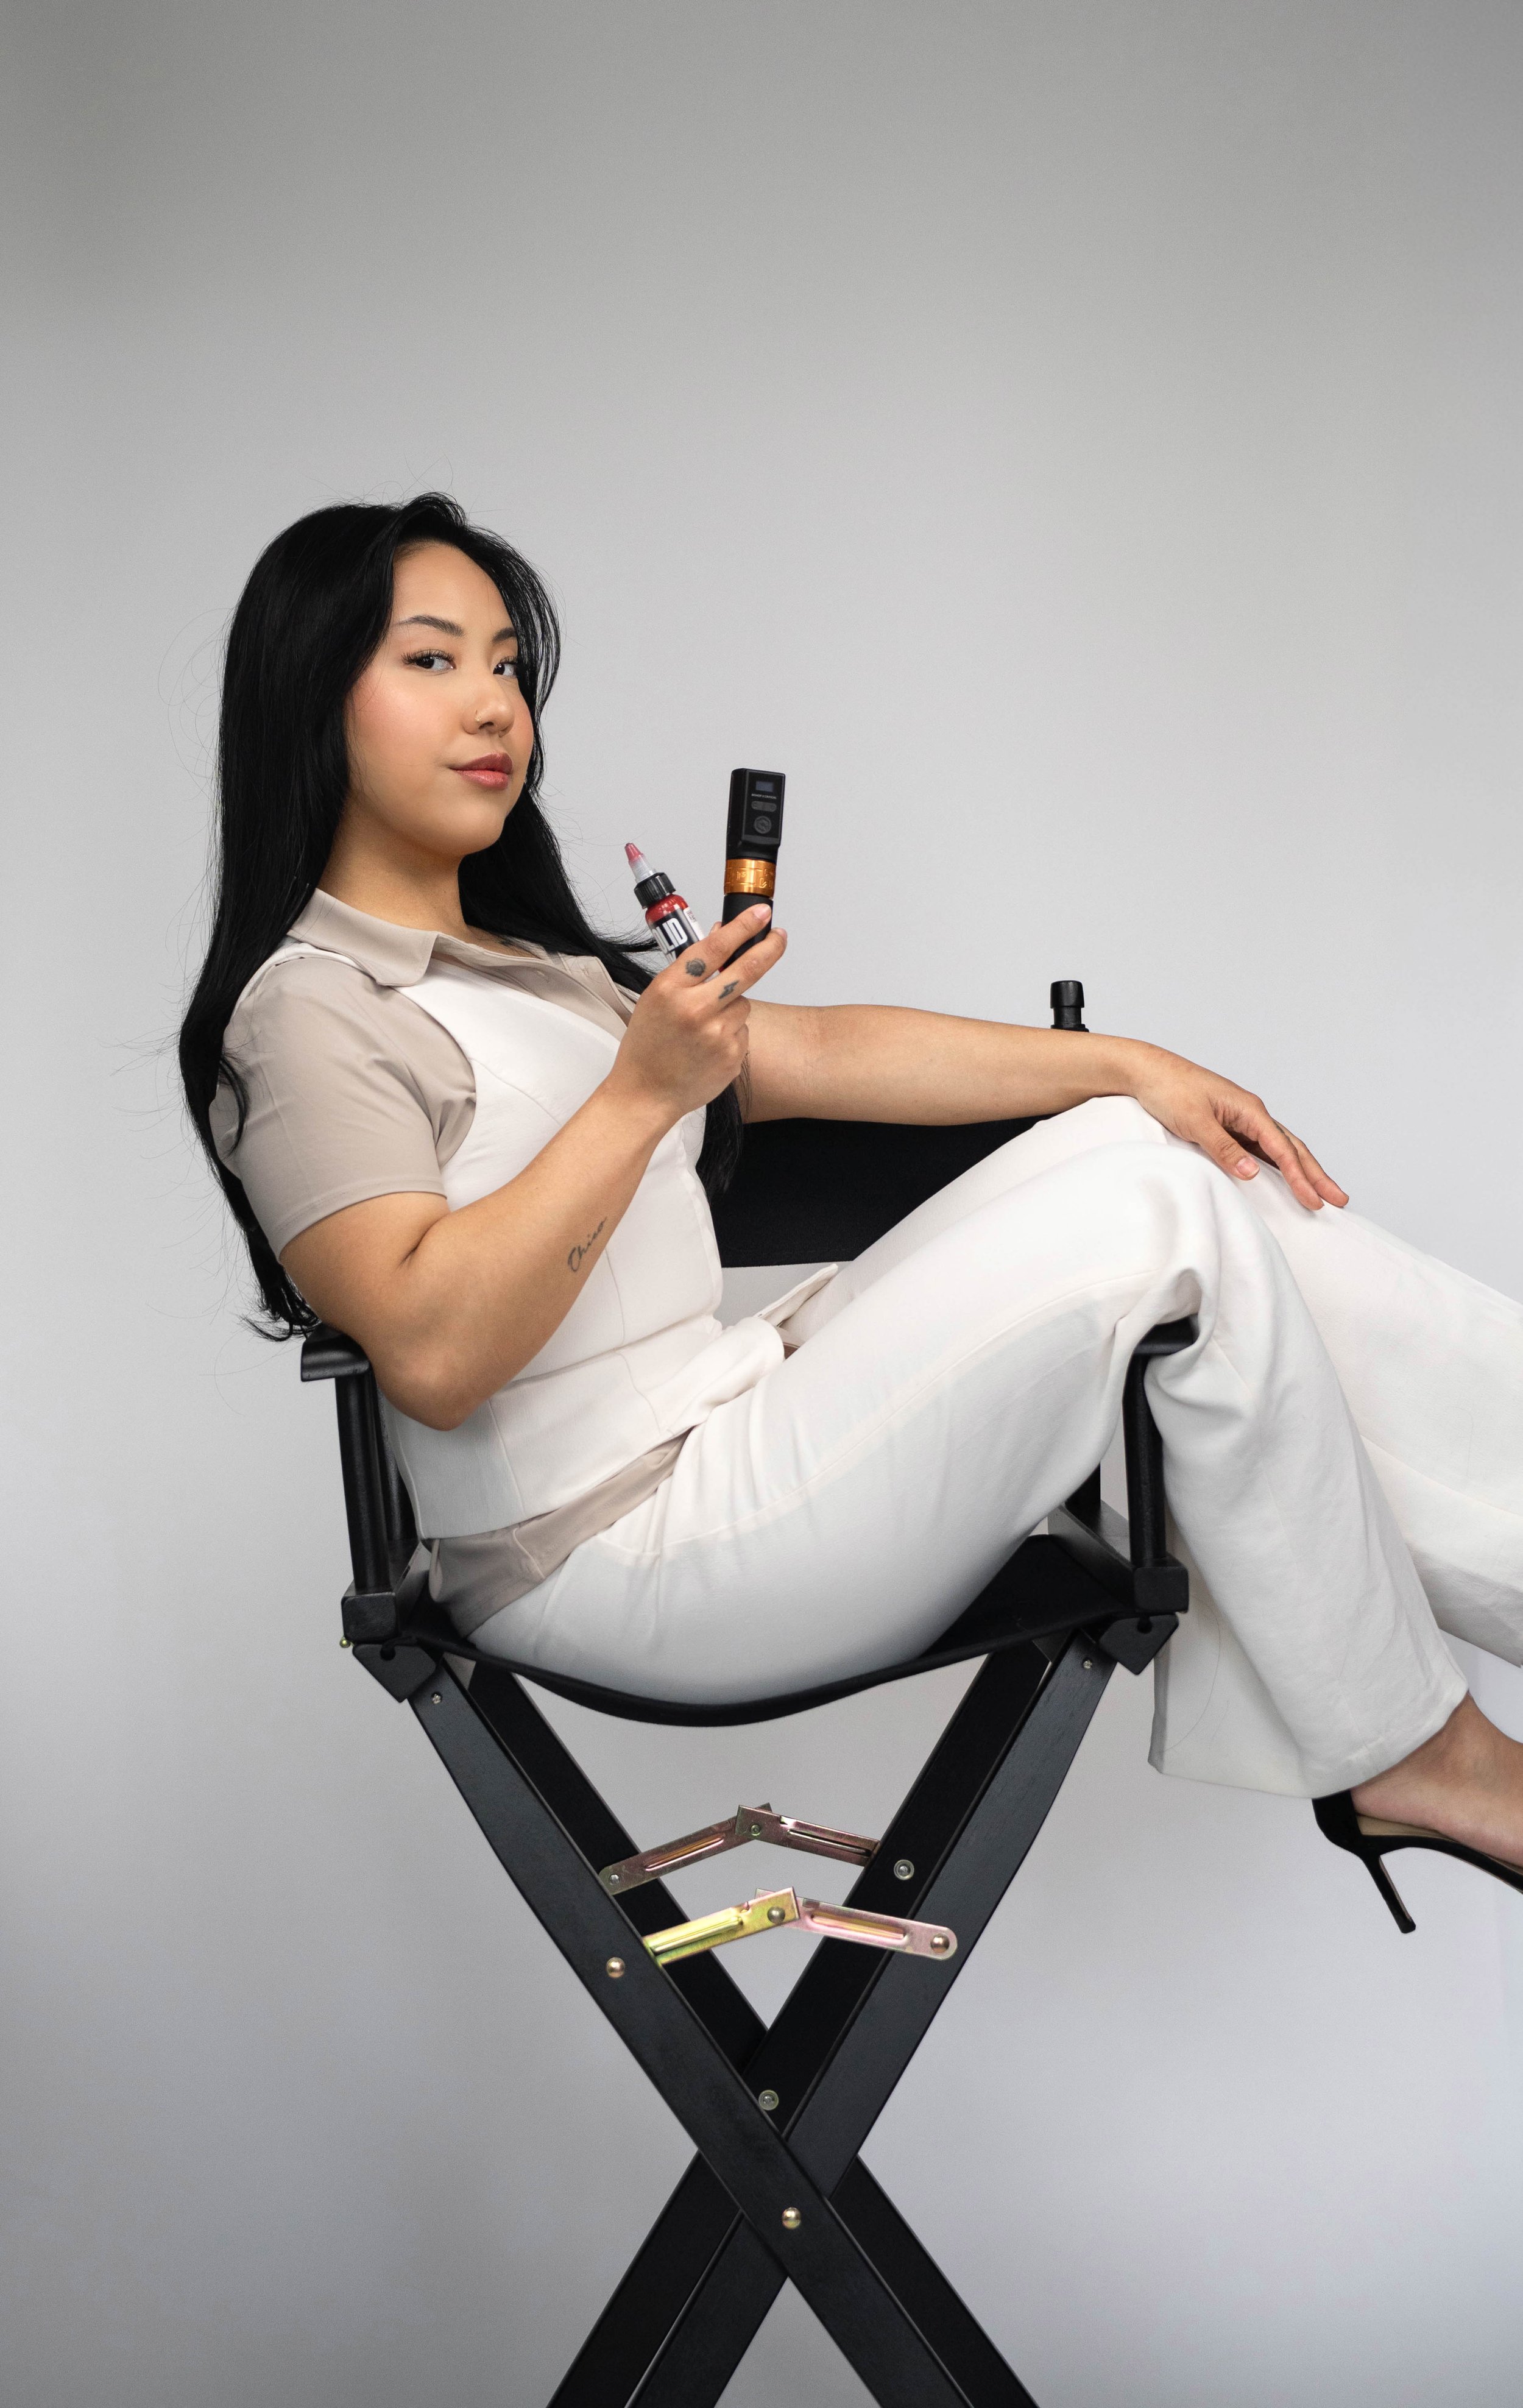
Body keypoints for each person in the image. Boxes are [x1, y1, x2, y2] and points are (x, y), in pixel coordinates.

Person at [180, 492, 1523, 1925]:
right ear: (311, 700)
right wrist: (639, 1096)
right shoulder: (311, 1013)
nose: (493, 706)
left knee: (1162, 1155)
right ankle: (1414, 1751)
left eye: (508, 664)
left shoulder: (524, 964)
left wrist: (1136, 1066)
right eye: (433, 661)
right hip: (610, 1551)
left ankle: (1430, 1709)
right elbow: (434, 1357)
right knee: (1152, 1213)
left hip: (734, 1421)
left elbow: (819, 1049)